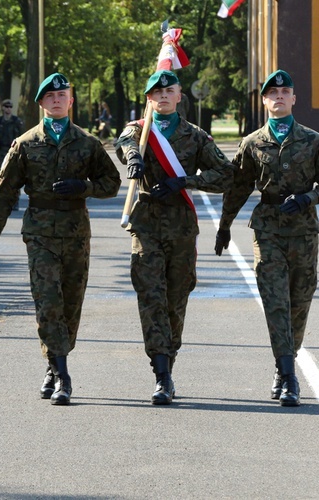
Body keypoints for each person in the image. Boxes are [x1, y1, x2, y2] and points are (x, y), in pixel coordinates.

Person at [0, 72, 121, 405]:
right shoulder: (25, 143)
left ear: (70, 101)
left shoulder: (87, 142)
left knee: (71, 304)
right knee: (48, 303)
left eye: (63, 95)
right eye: (51, 96)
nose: (57, 99)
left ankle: (51, 363)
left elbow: (112, 183)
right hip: (40, 233)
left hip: (75, 232)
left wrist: (84, 187)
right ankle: (63, 375)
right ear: (42, 102)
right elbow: (3, 193)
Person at [214, 69, 319, 407]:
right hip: (268, 230)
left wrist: (308, 198)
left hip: (303, 231)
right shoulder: (252, 143)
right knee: (275, 302)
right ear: (264, 100)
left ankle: (285, 361)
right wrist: (225, 225)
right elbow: (238, 187)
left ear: (294, 99)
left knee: (299, 302)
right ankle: (288, 375)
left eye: (286, 91)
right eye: (273, 93)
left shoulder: (313, 140)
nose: (279, 97)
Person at [114, 69, 233, 405]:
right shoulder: (139, 130)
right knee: (151, 296)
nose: (163, 96)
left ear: (180, 95)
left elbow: (225, 175)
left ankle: (170, 357)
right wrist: (134, 157)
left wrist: (186, 182)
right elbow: (122, 143)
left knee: (176, 299)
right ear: (148, 98)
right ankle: (161, 373)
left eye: (169, 90)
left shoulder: (195, 136)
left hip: (181, 226)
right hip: (147, 224)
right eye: (156, 92)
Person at [0, 99, 24, 170]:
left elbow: (21, 135)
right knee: (1, 170)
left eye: (10, 107)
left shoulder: (16, 121)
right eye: (7, 107)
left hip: (13, 149)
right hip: (2, 150)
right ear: (3, 108)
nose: (9, 108)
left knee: (13, 170)